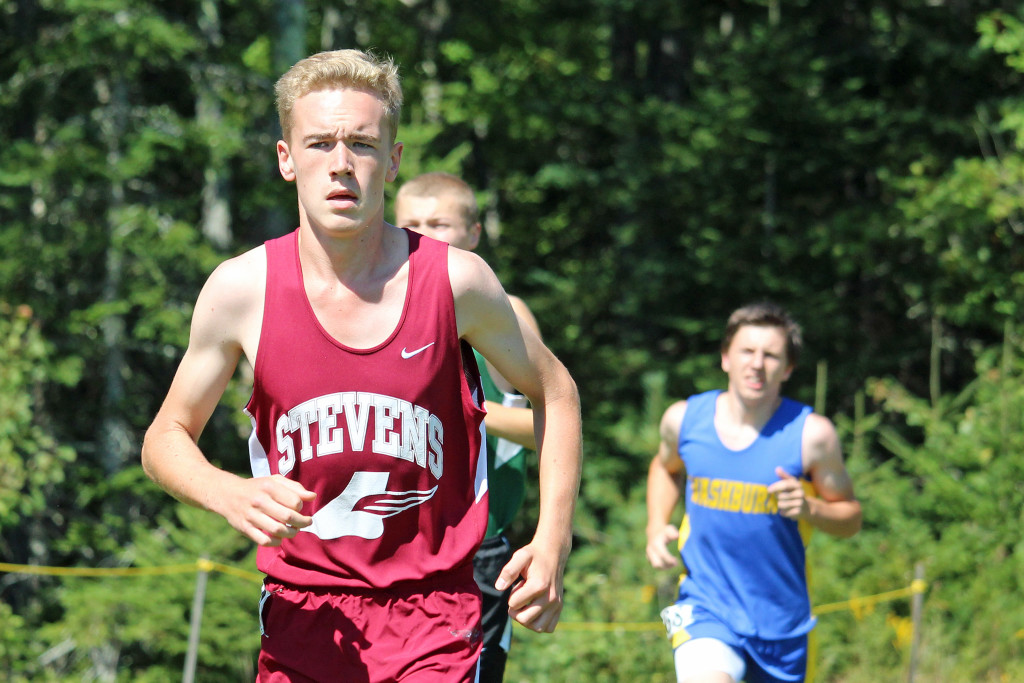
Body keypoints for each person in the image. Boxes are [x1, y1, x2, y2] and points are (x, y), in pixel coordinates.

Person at [141, 49, 582, 683]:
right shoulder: (241, 289)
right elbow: (164, 436)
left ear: (393, 161)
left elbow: (557, 393)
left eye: (363, 144)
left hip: (436, 613)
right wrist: (227, 490)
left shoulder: (456, 282)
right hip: (303, 612)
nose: (341, 164)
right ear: (287, 159)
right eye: (319, 143)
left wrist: (553, 539)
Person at [645, 302, 861, 683]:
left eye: (771, 355)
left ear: (788, 368)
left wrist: (810, 507)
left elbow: (850, 518)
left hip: (781, 622)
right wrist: (655, 525)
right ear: (726, 357)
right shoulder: (684, 420)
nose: (757, 364)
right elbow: (665, 467)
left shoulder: (812, 435)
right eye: (747, 351)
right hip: (704, 604)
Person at [395, 172, 540, 683]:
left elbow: (550, 423)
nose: (426, 232)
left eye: (441, 223)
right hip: (390, 544)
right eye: (411, 223)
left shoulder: (502, 310)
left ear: (474, 233)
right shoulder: (380, 308)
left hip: (476, 549)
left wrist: (466, 414)